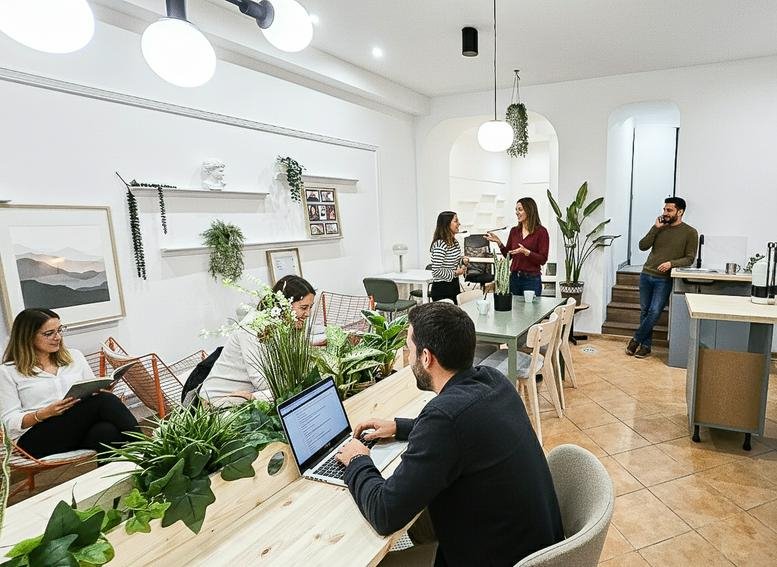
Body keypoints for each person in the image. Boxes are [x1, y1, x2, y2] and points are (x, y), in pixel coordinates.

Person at [336, 302, 564, 567]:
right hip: (535, 550)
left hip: (499, 558)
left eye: (409, 350)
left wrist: (358, 460)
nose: (408, 360)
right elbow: (464, 430)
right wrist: (400, 427)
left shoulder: (444, 418)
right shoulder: (493, 380)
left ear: (426, 357)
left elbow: (385, 513)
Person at [0, 308, 138, 459]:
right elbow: (8, 422)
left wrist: (101, 389)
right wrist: (43, 414)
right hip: (34, 439)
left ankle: (128, 478)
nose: (57, 337)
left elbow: (93, 392)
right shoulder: (8, 371)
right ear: (27, 337)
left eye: (59, 330)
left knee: (106, 432)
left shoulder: (74, 356)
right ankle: (151, 456)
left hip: (75, 429)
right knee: (105, 401)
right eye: (49, 333)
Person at [199, 275, 316, 406]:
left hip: (249, 395)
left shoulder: (288, 324)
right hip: (221, 401)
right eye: (304, 308)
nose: (308, 314)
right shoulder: (253, 328)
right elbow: (263, 381)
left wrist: (254, 397)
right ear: (283, 305)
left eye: (310, 307)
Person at [627, 196, 698, 359]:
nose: (665, 213)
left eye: (669, 210)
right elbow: (642, 245)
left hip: (664, 278)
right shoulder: (660, 227)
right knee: (645, 311)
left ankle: (636, 339)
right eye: (664, 209)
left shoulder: (690, 232)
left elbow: (689, 258)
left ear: (680, 212)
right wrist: (655, 228)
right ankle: (645, 347)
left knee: (654, 311)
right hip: (646, 274)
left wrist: (671, 263)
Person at [486, 197, 549, 297]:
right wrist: (499, 243)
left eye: (520, 209)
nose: (517, 212)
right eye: (516, 210)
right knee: (514, 311)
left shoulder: (541, 232)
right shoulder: (514, 231)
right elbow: (509, 255)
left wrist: (527, 252)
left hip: (532, 280)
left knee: (531, 311)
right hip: (514, 279)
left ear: (529, 210)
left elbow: (543, 259)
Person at [429, 211, 468, 304]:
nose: (459, 223)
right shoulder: (440, 245)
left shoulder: (454, 242)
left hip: (454, 285)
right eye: (456, 221)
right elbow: (436, 271)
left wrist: (463, 261)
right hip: (442, 289)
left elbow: (455, 260)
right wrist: (455, 272)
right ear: (447, 224)